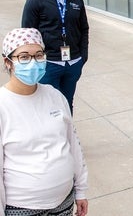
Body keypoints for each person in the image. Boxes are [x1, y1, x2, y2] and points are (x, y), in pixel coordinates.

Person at [0, 28, 88, 215]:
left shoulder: (54, 95)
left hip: (64, 202)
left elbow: (73, 145)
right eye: (24, 57)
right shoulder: (3, 105)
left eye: (39, 55)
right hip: (23, 208)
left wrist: (81, 189)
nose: (33, 62)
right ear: (8, 62)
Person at [22, 0, 89, 114]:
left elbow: (84, 28)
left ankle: (67, 137)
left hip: (73, 63)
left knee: (67, 104)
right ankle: (52, 138)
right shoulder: (36, 0)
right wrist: (38, 61)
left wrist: (82, 56)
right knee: (50, 107)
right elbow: (27, 34)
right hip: (49, 64)